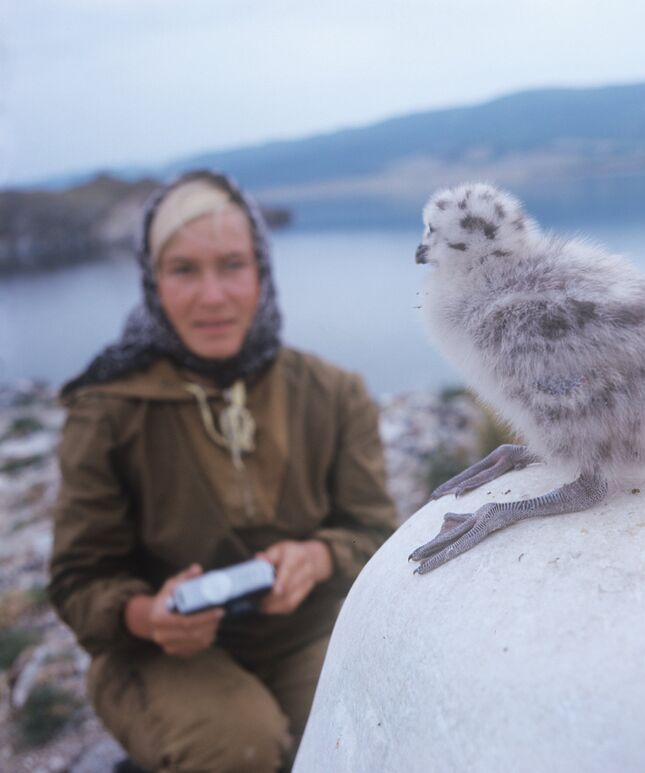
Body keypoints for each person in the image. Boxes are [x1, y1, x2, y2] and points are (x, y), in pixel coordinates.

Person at [48, 170, 398, 773]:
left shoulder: (334, 394)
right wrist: (147, 615)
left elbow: (375, 534)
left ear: (262, 273)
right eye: (184, 269)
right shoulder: (107, 410)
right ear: (153, 282)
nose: (212, 296)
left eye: (233, 264)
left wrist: (315, 558)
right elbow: (80, 581)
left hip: (304, 632)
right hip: (158, 652)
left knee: (372, 730)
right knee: (240, 746)